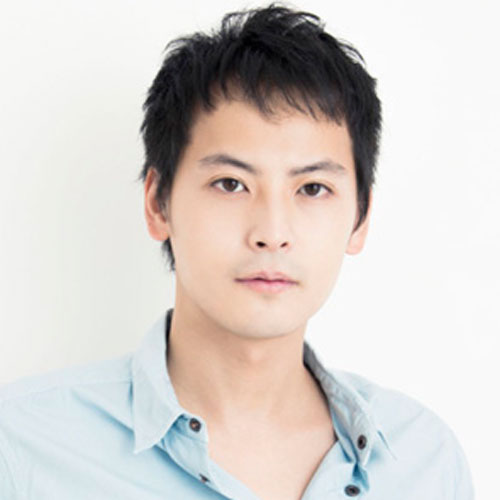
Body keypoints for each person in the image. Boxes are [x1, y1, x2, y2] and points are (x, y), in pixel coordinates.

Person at [0, 3, 474, 499]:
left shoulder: (424, 462)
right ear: (157, 203)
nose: (272, 233)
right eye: (231, 183)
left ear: (360, 218)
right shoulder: (23, 448)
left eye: (312, 188)